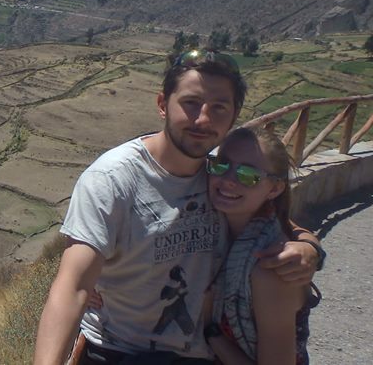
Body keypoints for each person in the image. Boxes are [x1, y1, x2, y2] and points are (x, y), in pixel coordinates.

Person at [33, 50, 322, 365]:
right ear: (162, 104)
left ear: (234, 114)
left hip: (207, 353)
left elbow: (267, 219)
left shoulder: (221, 175)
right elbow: (72, 287)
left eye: (218, 108)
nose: (202, 120)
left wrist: (309, 246)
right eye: (191, 103)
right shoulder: (112, 180)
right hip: (121, 352)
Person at [203, 126, 320, 365]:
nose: (228, 181)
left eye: (248, 175)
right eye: (221, 165)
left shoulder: (270, 268)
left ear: (275, 188)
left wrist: (209, 330)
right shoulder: (221, 228)